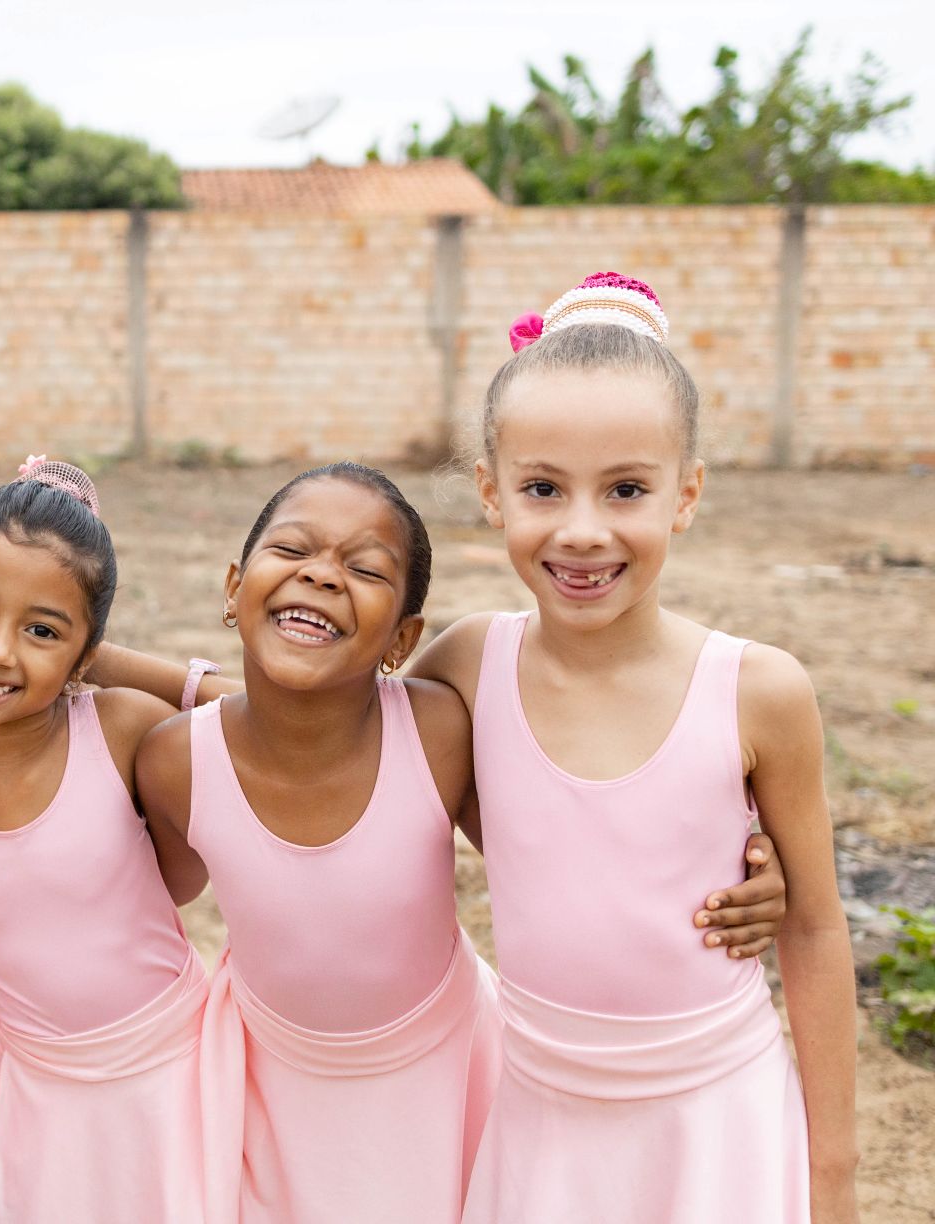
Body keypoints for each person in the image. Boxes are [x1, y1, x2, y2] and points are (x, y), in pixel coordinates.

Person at [412, 273, 857, 1223]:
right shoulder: (466, 665)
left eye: (626, 489)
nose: (582, 530)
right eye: (542, 487)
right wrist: (108, 664)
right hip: (542, 1121)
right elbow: (307, 726)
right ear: (491, 493)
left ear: (685, 494)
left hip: (715, 1119)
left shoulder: (759, 690)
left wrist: (835, 1179)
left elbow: (815, 929)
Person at [136, 462, 500, 1222]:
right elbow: (127, 895)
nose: (322, 576)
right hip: (267, 1087)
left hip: (448, 1072)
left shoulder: (440, 734)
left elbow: (558, 851)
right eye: (294, 549)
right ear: (234, 588)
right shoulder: (175, 764)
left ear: (403, 638)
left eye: (364, 568)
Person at [0, 459, 212, 1223]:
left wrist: (101, 666)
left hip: (176, 1072)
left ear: (85, 652)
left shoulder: (122, 727)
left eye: (42, 631)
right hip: (41, 1089)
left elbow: (252, 722)